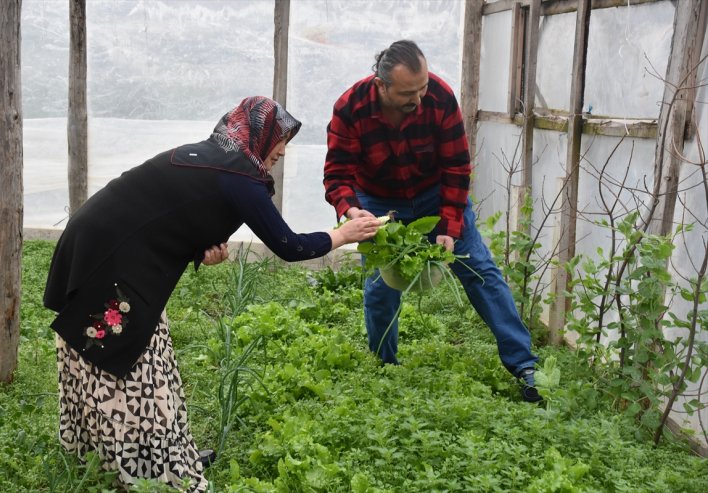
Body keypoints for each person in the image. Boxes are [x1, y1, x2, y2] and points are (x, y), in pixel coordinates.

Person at [43, 96, 382, 492]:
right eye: (280, 138)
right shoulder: (238, 176)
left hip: (98, 245)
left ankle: (156, 458)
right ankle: (151, 474)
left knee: (141, 355)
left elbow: (172, 211)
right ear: (259, 134)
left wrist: (204, 248)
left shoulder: (214, 157)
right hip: (112, 263)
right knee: (130, 368)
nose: (283, 150)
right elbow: (289, 246)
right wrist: (343, 235)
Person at [323, 40, 542, 402]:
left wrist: (449, 226)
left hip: (434, 196)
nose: (420, 99)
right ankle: (384, 366)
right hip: (380, 201)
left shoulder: (440, 97)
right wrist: (351, 210)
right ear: (381, 85)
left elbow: (457, 167)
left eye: (423, 87)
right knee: (381, 286)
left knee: (481, 273)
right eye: (409, 92)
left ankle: (525, 367)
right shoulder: (350, 108)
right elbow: (338, 174)